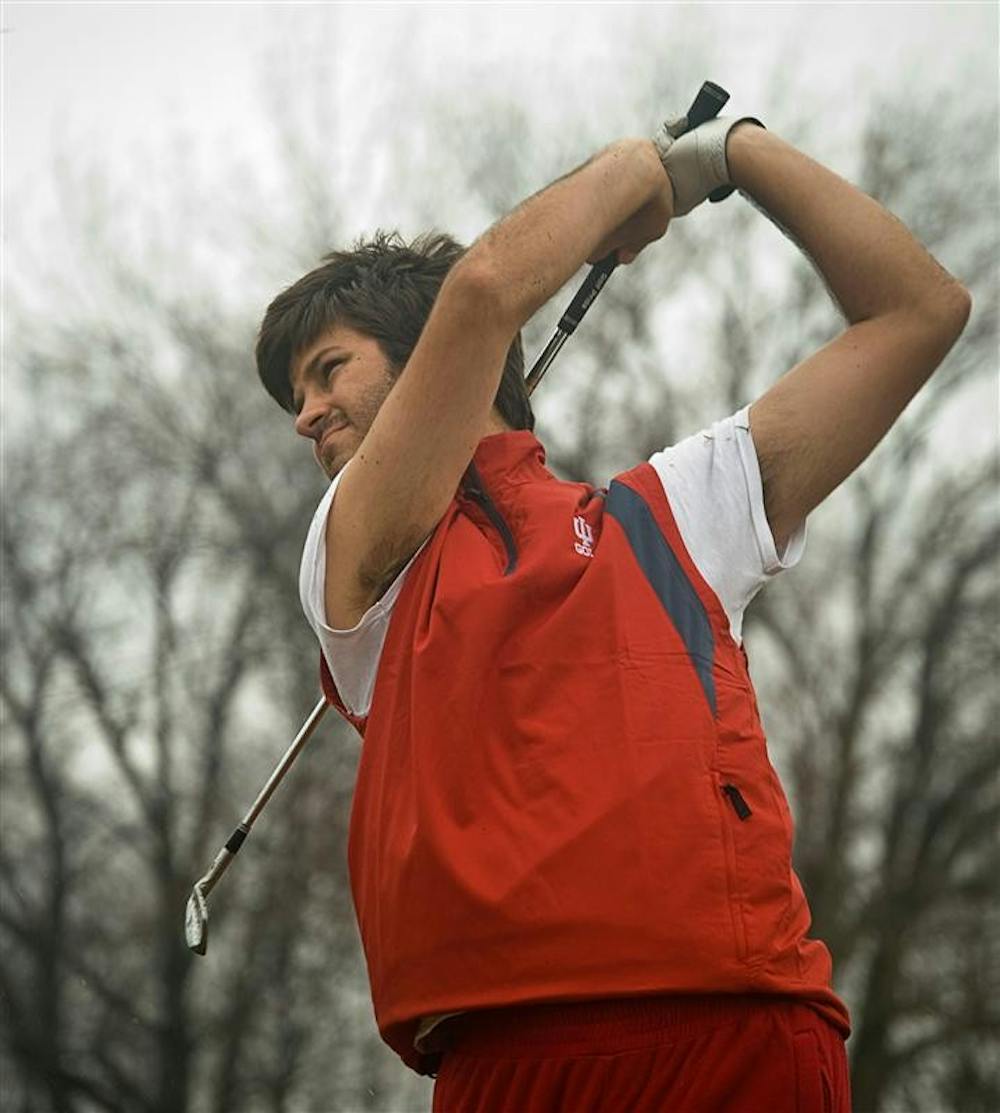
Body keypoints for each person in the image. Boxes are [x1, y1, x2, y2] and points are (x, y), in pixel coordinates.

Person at [254, 104, 971, 1112]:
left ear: (419, 358)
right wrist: (645, 176)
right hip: (504, 1064)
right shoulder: (358, 556)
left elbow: (918, 312)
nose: (304, 415)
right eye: (299, 392)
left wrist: (734, 154)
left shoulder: (668, 516)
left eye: (328, 371)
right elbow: (489, 291)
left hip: (736, 1033)